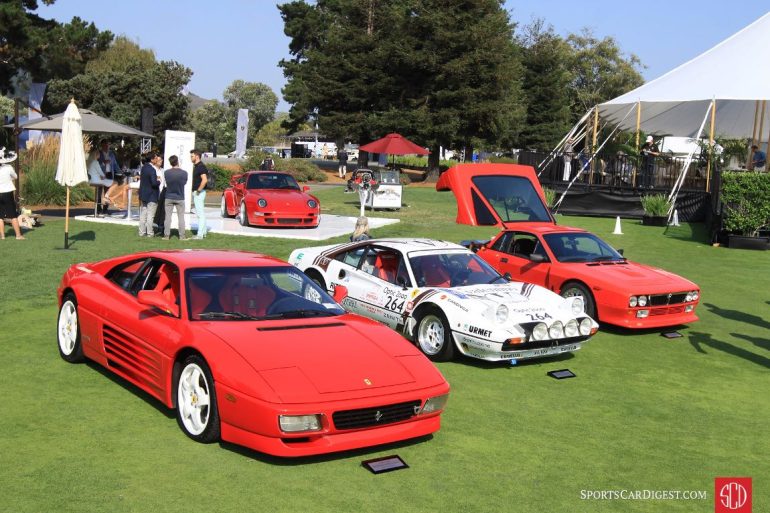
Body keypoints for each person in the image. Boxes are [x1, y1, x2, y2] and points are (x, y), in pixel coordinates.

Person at [0, 149, 24, 239]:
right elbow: (15, 176)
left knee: (0, 216)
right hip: (7, 192)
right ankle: (18, 235)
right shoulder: (8, 167)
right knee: (13, 214)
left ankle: (2, 236)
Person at [162, 155, 188, 240]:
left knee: (167, 217)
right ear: (177, 161)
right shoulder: (184, 173)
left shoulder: (166, 172)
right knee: (181, 217)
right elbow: (184, 183)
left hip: (169, 196)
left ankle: (166, 235)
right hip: (180, 197)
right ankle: (182, 236)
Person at [137, 152, 162, 237]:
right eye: (155, 157)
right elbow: (154, 183)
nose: (157, 159)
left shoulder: (143, 168)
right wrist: (159, 181)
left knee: (143, 214)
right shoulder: (152, 169)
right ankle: (150, 233)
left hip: (144, 194)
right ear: (152, 159)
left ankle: (141, 232)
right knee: (150, 215)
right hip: (152, 195)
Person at [190, 149, 209, 239]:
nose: (191, 157)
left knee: (200, 214)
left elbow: (204, 180)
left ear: (197, 156)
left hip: (199, 193)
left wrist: (198, 191)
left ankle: (200, 234)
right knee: (201, 213)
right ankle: (203, 232)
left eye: (192, 156)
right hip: (199, 192)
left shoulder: (200, 167)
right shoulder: (197, 166)